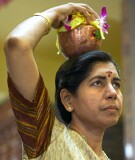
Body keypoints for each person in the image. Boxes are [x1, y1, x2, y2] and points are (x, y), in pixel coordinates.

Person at [4, 3, 123, 160]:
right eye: (97, 83)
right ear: (68, 99)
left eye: (116, 84)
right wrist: (54, 14)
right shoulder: (48, 139)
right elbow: (17, 45)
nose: (113, 93)